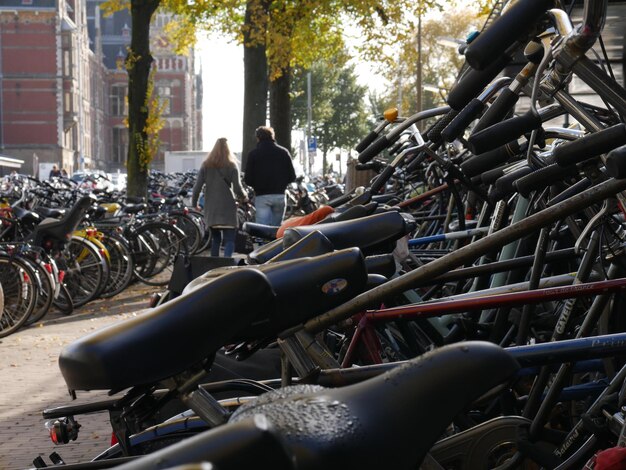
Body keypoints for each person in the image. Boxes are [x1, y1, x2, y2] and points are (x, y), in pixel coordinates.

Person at [192, 138, 248, 258]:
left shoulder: (206, 165)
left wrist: (194, 204)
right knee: (229, 240)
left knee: (216, 240)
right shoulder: (232, 165)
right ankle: (226, 264)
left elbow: (197, 187)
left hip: (212, 209)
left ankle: (214, 265)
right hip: (228, 208)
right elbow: (237, 188)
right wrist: (244, 197)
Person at [244, 126, 296, 226]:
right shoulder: (284, 152)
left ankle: (265, 242)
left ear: (258, 138)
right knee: (276, 228)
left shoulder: (253, 154)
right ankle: (276, 241)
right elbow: (292, 176)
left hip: (262, 195)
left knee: (262, 228)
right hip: (280, 195)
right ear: (272, 136)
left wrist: (256, 185)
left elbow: (248, 179)